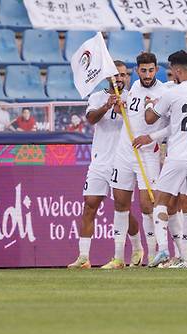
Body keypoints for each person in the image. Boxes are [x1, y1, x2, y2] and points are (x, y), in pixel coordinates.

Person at [68, 60, 141, 269]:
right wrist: (106, 105)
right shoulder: (98, 97)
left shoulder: (131, 98)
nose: (120, 78)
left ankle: (137, 248)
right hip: (99, 162)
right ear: (108, 77)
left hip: (122, 162)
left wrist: (122, 110)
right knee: (90, 205)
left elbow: (137, 125)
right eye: (116, 75)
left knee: (123, 208)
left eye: (124, 75)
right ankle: (83, 257)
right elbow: (90, 118)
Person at [145, 50, 187, 268]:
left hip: (178, 156)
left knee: (160, 201)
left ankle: (164, 249)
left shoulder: (171, 93)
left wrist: (150, 104)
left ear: (176, 70)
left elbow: (149, 119)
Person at [109, 52, 167, 267]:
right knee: (120, 203)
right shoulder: (133, 88)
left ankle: (152, 256)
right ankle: (117, 258)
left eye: (151, 70)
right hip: (124, 153)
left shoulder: (163, 92)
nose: (147, 74)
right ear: (137, 71)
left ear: (156, 70)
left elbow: (169, 124)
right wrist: (119, 104)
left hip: (148, 155)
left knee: (147, 205)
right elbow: (128, 110)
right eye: (143, 70)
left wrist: (152, 138)